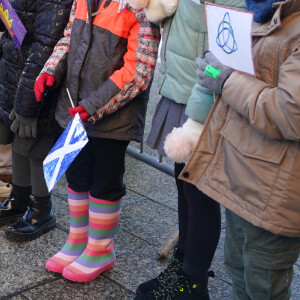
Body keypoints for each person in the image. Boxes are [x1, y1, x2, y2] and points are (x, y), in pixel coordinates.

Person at [34, 0, 160, 283]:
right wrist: (50, 71)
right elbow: (68, 38)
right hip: (73, 108)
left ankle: (100, 249)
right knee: (77, 178)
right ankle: (78, 240)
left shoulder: (140, 7)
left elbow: (140, 70)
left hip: (112, 118)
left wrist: (94, 105)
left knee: (105, 183)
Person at [181, 0, 300, 299]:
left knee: (262, 286)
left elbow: (291, 114)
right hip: (242, 178)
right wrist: (215, 70)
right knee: (239, 272)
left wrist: (226, 80)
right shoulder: (267, 13)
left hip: (275, 193)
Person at [133, 0, 246, 299]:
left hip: (204, 103)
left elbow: (225, 47)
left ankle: (193, 280)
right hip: (181, 89)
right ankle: (183, 265)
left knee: (200, 194)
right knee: (183, 185)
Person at [0, 0, 73, 239]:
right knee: (19, 139)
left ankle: (41, 209)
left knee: (36, 145)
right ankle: (20, 200)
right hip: (16, 70)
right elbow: (13, 23)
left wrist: (28, 99)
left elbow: (46, 46)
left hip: (37, 79)